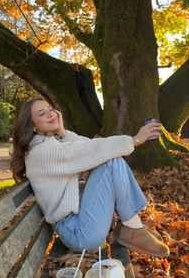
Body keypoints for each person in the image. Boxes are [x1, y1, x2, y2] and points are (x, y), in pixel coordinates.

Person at [11, 98, 169, 257]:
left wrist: (63, 133)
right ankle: (133, 227)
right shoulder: (43, 151)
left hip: (79, 223)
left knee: (108, 158)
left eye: (50, 109)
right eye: (42, 113)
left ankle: (133, 226)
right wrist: (134, 140)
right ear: (32, 126)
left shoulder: (48, 145)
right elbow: (90, 149)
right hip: (79, 233)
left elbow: (85, 147)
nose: (50, 114)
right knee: (111, 161)